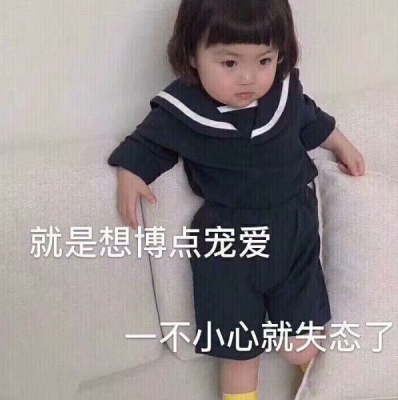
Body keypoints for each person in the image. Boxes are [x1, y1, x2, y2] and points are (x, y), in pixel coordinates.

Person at [108, 1, 366, 399]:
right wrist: (131, 173)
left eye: (264, 60)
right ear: (192, 56)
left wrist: (341, 144)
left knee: (302, 346)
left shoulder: (284, 95)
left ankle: (323, 387)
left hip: (292, 231)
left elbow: (311, 119)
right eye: (229, 63)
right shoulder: (182, 111)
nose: (249, 77)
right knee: (238, 353)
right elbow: (147, 143)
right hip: (228, 246)